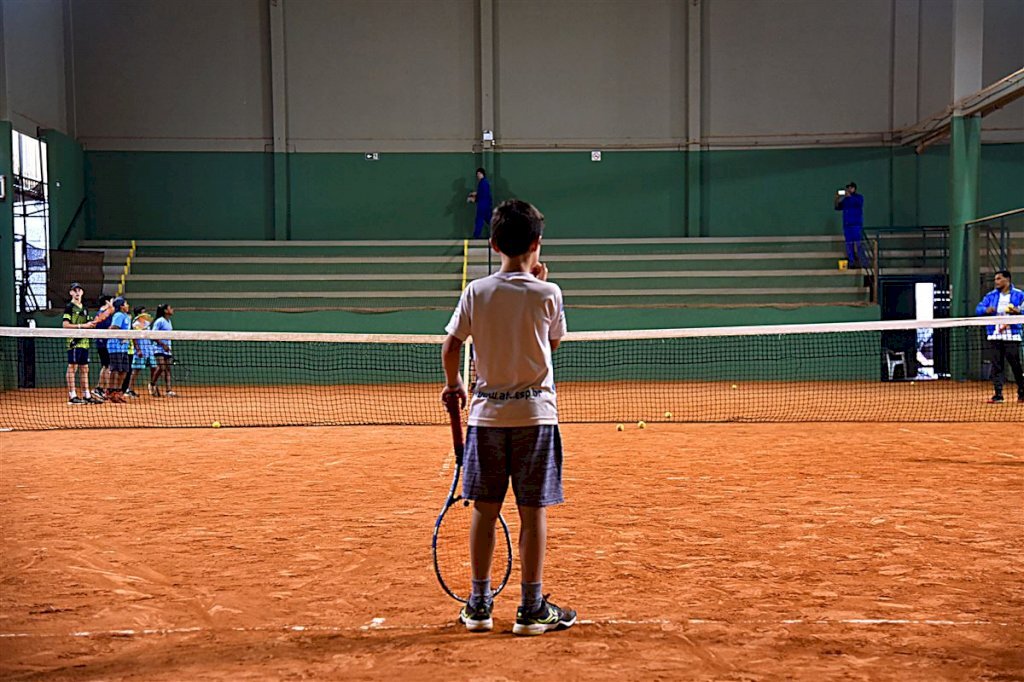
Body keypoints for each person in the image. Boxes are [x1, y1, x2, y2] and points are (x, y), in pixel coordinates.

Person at [441, 198, 576, 636]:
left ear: (493, 242)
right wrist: (539, 284)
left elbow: (451, 346)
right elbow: (550, 345)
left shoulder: (475, 291)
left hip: (486, 418)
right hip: (536, 416)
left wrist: (454, 385)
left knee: (484, 510)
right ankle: (532, 608)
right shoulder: (549, 293)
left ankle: (479, 605)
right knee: (533, 512)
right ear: (537, 243)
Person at [975, 269, 1024, 403]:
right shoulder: (990, 296)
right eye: (996, 279)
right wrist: (986, 310)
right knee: (997, 366)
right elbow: (978, 309)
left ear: (1007, 280)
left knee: (1016, 365)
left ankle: (1022, 392)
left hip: (1012, 336)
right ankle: (998, 395)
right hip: (994, 335)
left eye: (999, 279)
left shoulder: (1019, 295)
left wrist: (1018, 311)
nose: (996, 282)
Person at [62, 282, 100, 404]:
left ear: (82, 292)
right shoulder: (69, 307)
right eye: (75, 290)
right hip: (74, 342)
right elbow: (65, 325)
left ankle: (87, 395)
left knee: (85, 368)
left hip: (85, 342)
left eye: (79, 290)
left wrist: (92, 324)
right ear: (71, 293)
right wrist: (83, 326)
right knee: (72, 368)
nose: (77, 292)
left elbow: (89, 324)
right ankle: (72, 396)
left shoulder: (84, 308)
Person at [105, 297, 132, 404]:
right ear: (121, 306)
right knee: (115, 370)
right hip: (115, 346)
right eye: (126, 304)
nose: (128, 305)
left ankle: (118, 391)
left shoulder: (126, 316)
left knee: (124, 370)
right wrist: (121, 336)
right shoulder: (118, 315)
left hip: (124, 347)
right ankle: (110, 391)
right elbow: (113, 327)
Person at [834, 181, 865, 267]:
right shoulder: (845, 200)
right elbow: (837, 207)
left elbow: (858, 203)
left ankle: (863, 262)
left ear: (854, 188)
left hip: (856, 224)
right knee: (849, 245)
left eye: (850, 188)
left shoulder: (859, 198)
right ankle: (852, 262)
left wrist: (850, 196)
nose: (848, 189)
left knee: (859, 244)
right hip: (847, 226)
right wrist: (837, 198)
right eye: (848, 188)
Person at [127, 307, 157, 397]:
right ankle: (130, 389)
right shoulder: (135, 324)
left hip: (149, 350)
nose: (145, 313)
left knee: (154, 367)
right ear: (139, 314)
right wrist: (138, 349)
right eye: (143, 312)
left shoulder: (147, 324)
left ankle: (152, 385)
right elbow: (134, 338)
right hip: (140, 350)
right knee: (136, 370)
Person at [91, 294, 115, 401]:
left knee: (106, 366)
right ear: (107, 302)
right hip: (103, 343)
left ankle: (100, 388)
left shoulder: (104, 313)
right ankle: (104, 389)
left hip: (103, 343)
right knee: (108, 366)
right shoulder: (103, 314)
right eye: (111, 301)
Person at [151, 304, 176, 397]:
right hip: (158, 348)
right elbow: (153, 335)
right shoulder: (159, 321)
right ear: (165, 311)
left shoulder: (169, 321)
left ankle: (168, 390)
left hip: (167, 349)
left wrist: (168, 346)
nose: (172, 309)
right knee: (161, 367)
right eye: (170, 308)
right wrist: (162, 344)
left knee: (168, 369)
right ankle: (152, 384)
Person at [467, 167, 493, 239]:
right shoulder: (484, 183)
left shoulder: (483, 183)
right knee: (490, 221)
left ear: (482, 174)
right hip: (486, 205)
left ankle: (476, 236)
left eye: (479, 174)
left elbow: (483, 195)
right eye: (477, 174)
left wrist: (474, 198)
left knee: (479, 220)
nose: (478, 175)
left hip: (482, 206)